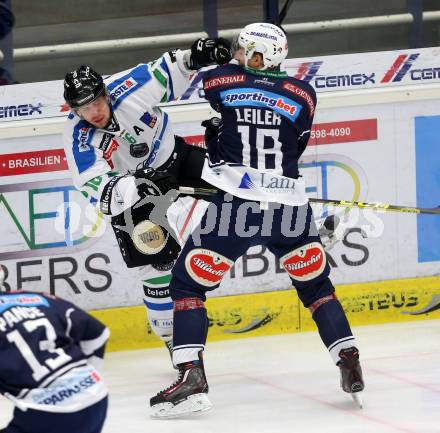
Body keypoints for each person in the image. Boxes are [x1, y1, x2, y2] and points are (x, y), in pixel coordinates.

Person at [150, 22, 365, 418]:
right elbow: (295, 144)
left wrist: (219, 136)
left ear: (258, 56)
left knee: (186, 284)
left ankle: (191, 375)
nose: (237, 54)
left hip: (237, 206)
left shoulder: (221, 79)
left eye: (244, 49)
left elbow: (216, 94)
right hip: (290, 209)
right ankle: (347, 355)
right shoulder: (304, 93)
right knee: (316, 287)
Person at [62, 38, 231, 360]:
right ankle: (172, 338)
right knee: (159, 264)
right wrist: (135, 185)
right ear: (74, 110)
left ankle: (307, 227)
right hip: (136, 197)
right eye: (83, 108)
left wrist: (200, 55)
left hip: (175, 158)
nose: (93, 112)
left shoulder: (129, 87)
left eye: (96, 102)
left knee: (238, 186)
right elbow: (92, 183)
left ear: (105, 93)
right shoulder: (77, 136)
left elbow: (170, 68)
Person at [0, 264, 110, 433]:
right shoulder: (34, 298)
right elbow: (98, 333)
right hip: (95, 396)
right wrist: (81, 381)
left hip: (47, 414)